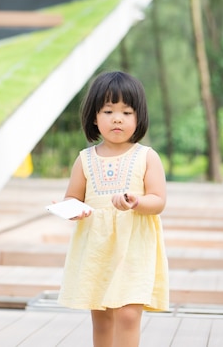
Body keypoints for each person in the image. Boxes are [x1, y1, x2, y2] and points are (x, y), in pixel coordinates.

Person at [57, 71, 170, 347]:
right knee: (102, 317)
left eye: (126, 112)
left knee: (129, 315)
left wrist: (137, 202)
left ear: (138, 117)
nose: (117, 118)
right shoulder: (84, 159)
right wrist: (71, 209)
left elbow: (158, 201)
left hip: (134, 250)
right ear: (94, 117)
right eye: (108, 110)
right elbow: (72, 199)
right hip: (98, 252)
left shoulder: (146, 157)